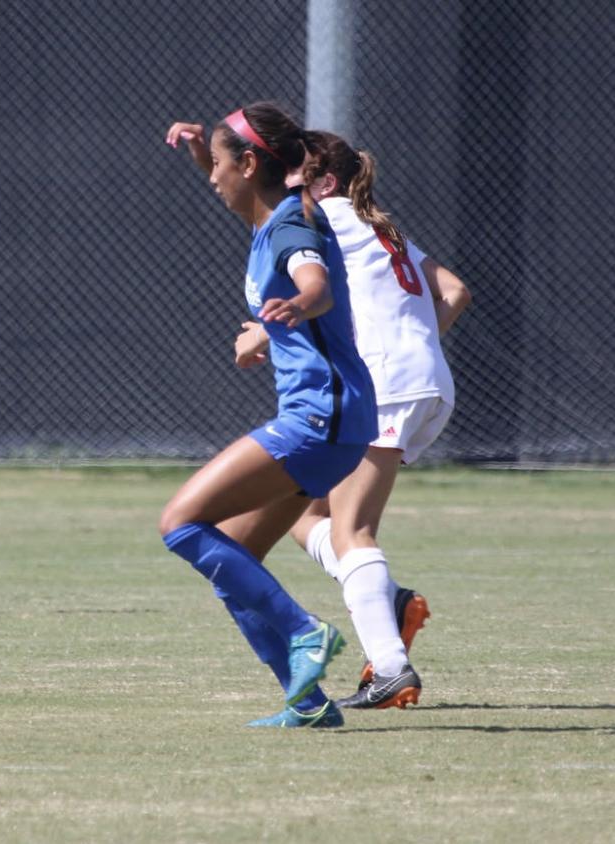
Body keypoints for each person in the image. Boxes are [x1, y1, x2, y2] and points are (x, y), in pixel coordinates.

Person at [222, 130, 471, 709]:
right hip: (423, 381)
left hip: (383, 382)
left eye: (296, 172)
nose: (285, 180)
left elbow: (319, 287)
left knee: (350, 530)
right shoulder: (380, 227)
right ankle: (384, 601)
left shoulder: (325, 217)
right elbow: (454, 291)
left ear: (324, 181)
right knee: (306, 513)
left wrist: (264, 330)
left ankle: (390, 668)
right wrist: (415, 346)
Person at [160, 102, 377, 728]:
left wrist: (302, 304)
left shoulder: (289, 228)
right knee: (231, 557)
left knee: (180, 523)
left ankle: (304, 630)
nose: (212, 178)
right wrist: (204, 151)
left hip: (321, 417)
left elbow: (316, 283)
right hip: (336, 420)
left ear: (251, 163)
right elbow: (292, 268)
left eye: (221, 166)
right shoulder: (271, 224)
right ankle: (308, 703)